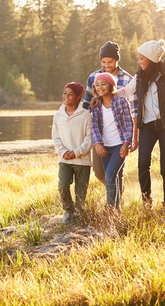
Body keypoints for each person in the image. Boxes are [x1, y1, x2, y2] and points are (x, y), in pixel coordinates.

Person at [99, 39, 165, 213]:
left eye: (141, 59)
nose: (139, 62)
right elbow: (126, 91)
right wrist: (108, 92)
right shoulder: (140, 74)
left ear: (151, 59)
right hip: (147, 126)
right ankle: (147, 199)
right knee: (143, 163)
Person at [83, 41, 138, 198]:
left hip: (120, 136)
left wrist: (133, 138)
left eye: (110, 61)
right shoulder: (93, 77)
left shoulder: (127, 80)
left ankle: (114, 207)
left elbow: (134, 110)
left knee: (115, 172)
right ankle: (116, 194)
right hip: (100, 135)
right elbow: (87, 106)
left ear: (117, 60)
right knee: (100, 172)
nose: (106, 65)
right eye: (103, 62)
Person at [90, 73, 133, 209]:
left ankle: (109, 208)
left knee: (110, 175)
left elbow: (129, 125)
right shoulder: (96, 105)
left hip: (119, 146)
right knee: (111, 178)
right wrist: (97, 143)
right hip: (105, 147)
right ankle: (117, 208)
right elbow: (94, 126)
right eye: (97, 85)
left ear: (111, 85)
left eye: (103, 84)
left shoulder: (121, 102)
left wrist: (126, 144)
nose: (100, 87)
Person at [52, 82, 93, 224]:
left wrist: (76, 152)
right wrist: (63, 153)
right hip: (65, 160)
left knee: (81, 191)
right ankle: (68, 211)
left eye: (70, 94)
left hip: (82, 160)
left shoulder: (86, 115)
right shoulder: (58, 115)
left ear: (78, 97)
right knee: (63, 185)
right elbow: (55, 137)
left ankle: (80, 215)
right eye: (65, 93)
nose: (66, 96)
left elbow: (89, 138)